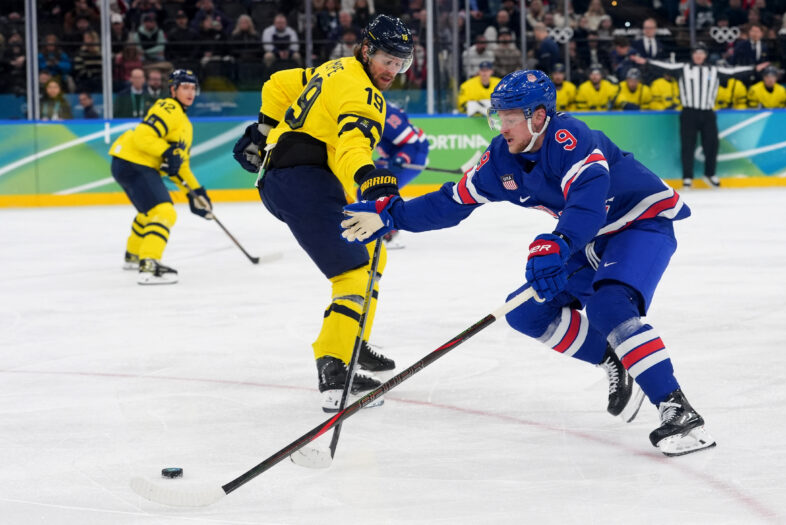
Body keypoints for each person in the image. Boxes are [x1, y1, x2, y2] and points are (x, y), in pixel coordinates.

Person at [340, 69, 717, 458]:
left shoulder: (571, 139)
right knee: (525, 312)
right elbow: (451, 202)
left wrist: (559, 242)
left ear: (539, 116)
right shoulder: (501, 159)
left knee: (609, 306)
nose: (502, 127)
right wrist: (392, 215)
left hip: (640, 223)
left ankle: (680, 412)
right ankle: (614, 357)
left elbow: (587, 204)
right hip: (588, 239)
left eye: (510, 117)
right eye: (498, 117)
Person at [231, 15, 413, 412]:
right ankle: (335, 372)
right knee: (353, 274)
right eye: (387, 59)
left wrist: (263, 131)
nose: (392, 70)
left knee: (373, 251)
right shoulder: (364, 93)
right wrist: (369, 178)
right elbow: (352, 146)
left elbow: (278, 83)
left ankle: (353, 340)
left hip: (288, 179)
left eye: (401, 63)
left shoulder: (336, 67)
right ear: (366, 50)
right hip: (304, 181)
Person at [108, 69, 213, 285]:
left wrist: (196, 193)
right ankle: (149, 265)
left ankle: (133, 255)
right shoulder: (169, 107)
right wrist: (166, 151)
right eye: (185, 87)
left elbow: (180, 166)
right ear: (173, 90)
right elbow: (142, 136)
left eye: (193, 88)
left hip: (126, 162)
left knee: (149, 212)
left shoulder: (185, 125)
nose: (190, 92)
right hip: (134, 162)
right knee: (164, 211)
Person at [632, 43, 769, 188]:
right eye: (696, 53)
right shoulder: (683, 68)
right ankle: (687, 177)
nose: (698, 56)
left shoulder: (714, 70)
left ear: (705, 56)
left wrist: (754, 68)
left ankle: (710, 174)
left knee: (712, 145)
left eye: (701, 53)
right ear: (692, 55)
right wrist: (646, 62)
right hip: (689, 112)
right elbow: (664, 67)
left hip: (708, 112)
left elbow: (734, 72)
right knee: (687, 145)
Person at [370, 101, 430, 247]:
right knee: (365, 187)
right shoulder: (362, 111)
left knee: (382, 188)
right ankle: (374, 229)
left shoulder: (386, 114)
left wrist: (402, 158)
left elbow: (412, 144)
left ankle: (391, 234)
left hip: (414, 155)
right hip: (392, 155)